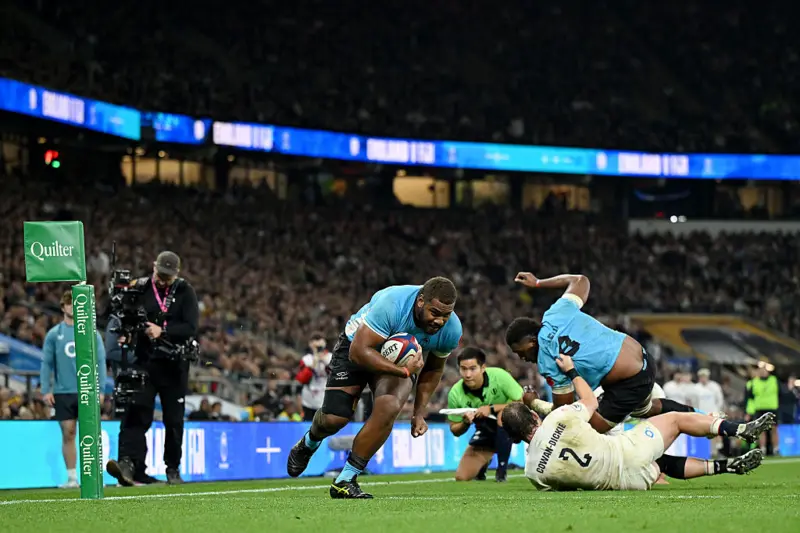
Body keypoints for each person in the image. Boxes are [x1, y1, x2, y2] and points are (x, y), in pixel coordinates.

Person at [286, 277, 462, 499]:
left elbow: (434, 370)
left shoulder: (452, 330)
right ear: (420, 301)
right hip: (357, 346)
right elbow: (358, 351)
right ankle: (309, 442)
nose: (439, 321)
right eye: (435, 312)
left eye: (446, 315)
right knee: (335, 419)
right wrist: (405, 372)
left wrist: (419, 412)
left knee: (389, 406)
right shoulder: (392, 304)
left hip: (397, 362)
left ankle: (346, 479)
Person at [501, 354, 776, 491]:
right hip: (627, 450)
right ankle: (737, 429)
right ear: (534, 416)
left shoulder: (532, 473)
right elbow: (591, 402)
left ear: (514, 439)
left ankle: (726, 466)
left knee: (662, 462)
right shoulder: (559, 418)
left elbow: (564, 485)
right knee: (674, 419)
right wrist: (571, 370)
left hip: (627, 483)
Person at [505, 271, 699, 434]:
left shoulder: (547, 361)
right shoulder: (555, 313)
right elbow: (580, 280)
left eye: (520, 352)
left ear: (531, 341)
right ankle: (698, 415)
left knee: (589, 426)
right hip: (642, 356)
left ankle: (651, 460)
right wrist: (538, 282)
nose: (521, 358)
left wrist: (534, 403)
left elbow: (564, 411)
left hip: (629, 381)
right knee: (643, 409)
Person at [105, 251, 199, 486]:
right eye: (160, 274)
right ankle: (128, 464)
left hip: (174, 365)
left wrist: (163, 331)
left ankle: (173, 468)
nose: (162, 280)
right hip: (144, 360)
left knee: (174, 420)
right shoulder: (139, 288)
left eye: (168, 277)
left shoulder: (185, 292)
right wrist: (126, 334)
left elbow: (190, 327)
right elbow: (122, 314)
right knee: (135, 412)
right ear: (153, 266)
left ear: (176, 274)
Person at [40, 290, 107, 488]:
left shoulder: (91, 333)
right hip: (63, 391)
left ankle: (95, 475)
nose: (72, 307)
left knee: (91, 433)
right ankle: (71, 477)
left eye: (76, 304)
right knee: (68, 432)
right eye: (69, 304)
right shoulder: (54, 334)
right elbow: (46, 363)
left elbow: (100, 362)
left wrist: (101, 389)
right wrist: (46, 389)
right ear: (63, 307)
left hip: (87, 390)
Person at [446, 346, 522, 482]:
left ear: (483, 368)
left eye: (472, 368)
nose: (468, 374)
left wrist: (492, 408)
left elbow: (521, 402)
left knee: (503, 415)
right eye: (463, 369)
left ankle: (501, 471)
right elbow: (454, 430)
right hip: (487, 429)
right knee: (461, 477)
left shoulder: (500, 376)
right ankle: (484, 464)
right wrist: (465, 423)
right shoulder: (455, 393)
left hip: (515, 424)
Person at [295, 332, 332, 421]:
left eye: (319, 340)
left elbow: (335, 375)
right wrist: (313, 364)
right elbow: (301, 379)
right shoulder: (306, 359)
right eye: (314, 341)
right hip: (308, 401)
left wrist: (324, 361)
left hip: (325, 399)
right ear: (310, 344)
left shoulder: (330, 357)